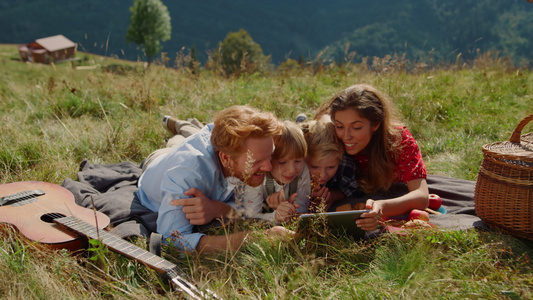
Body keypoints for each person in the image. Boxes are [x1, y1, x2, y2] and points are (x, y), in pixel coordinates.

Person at [136, 105, 292, 253]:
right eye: (257, 162)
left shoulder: (246, 154)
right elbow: (171, 241)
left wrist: (218, 208)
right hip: (157, 161)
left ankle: (184, 126)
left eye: (270, 155)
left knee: (192, 134)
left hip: (204, 142)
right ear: (226, 159)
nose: (269, 168)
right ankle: (181, 127)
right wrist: (258, 238)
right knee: (174, 144)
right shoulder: (185, 175)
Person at [315, 84, 429, 231]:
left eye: (356, 128)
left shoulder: (398, 140)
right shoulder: (334, 139)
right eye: (339, 126)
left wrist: (382, 206)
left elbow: (421, 196)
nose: (346, 136)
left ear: (375, 124)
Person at [239, 120, 311, 222]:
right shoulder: (257, 175)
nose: (291, 170)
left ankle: (300, 121)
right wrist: (275, 216)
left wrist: (288, 211)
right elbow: (251, 216)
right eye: (282, 162)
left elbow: (303, 205)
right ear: (268, 159)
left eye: (298, 161)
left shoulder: (303, 169)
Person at [301, 119, 360, 212]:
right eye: (314, 167)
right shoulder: (297, 165)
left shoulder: (345, 163)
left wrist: (332, 196)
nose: (323, 175)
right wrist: (306, 195)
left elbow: (351, 189)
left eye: (331, 167)